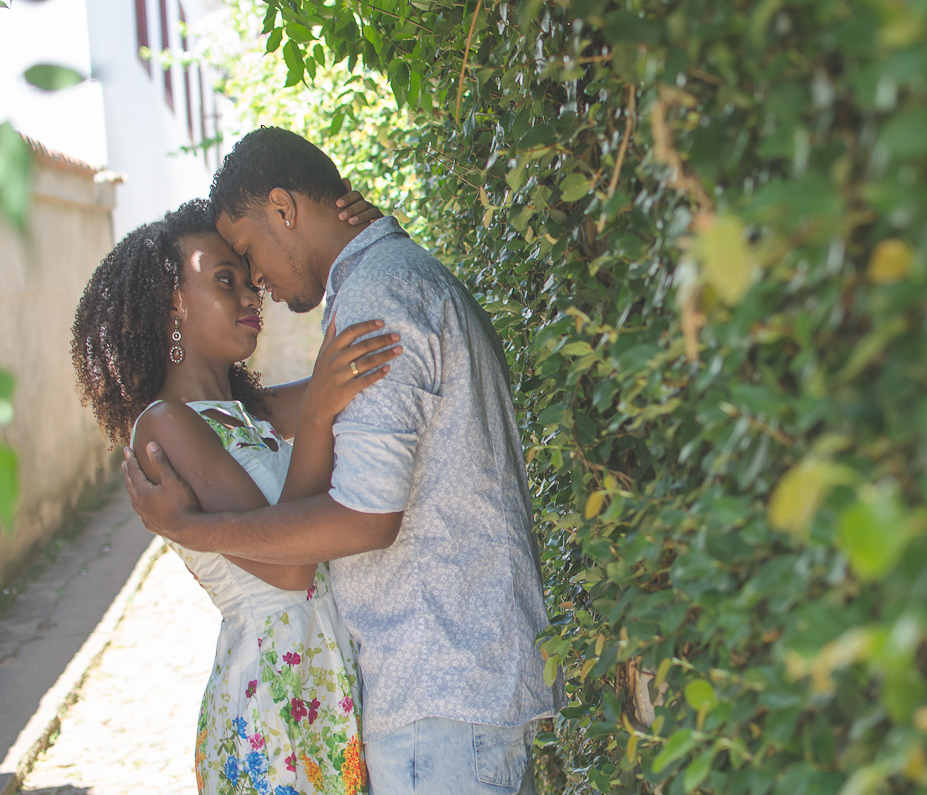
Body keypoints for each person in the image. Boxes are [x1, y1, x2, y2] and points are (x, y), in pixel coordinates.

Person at [121, 127, 565, 794]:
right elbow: (278, 449)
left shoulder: (377, 299)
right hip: (365, 695)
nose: (257, 288)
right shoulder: (387, 285)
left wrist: (186, 526)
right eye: (229, 276)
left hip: (434, 690)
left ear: (283, 208)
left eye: (247, 258)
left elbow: (360, 517)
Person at [72, 195, 400, 795]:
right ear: (173, 299)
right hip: (270, 710)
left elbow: (357, 365)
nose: (254, 298)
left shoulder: (251, 413)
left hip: (326, 687)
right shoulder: (165, 426)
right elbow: (292, 565)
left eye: (250, 282)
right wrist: (322, 410)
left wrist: (359, 225)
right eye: (227, 281)